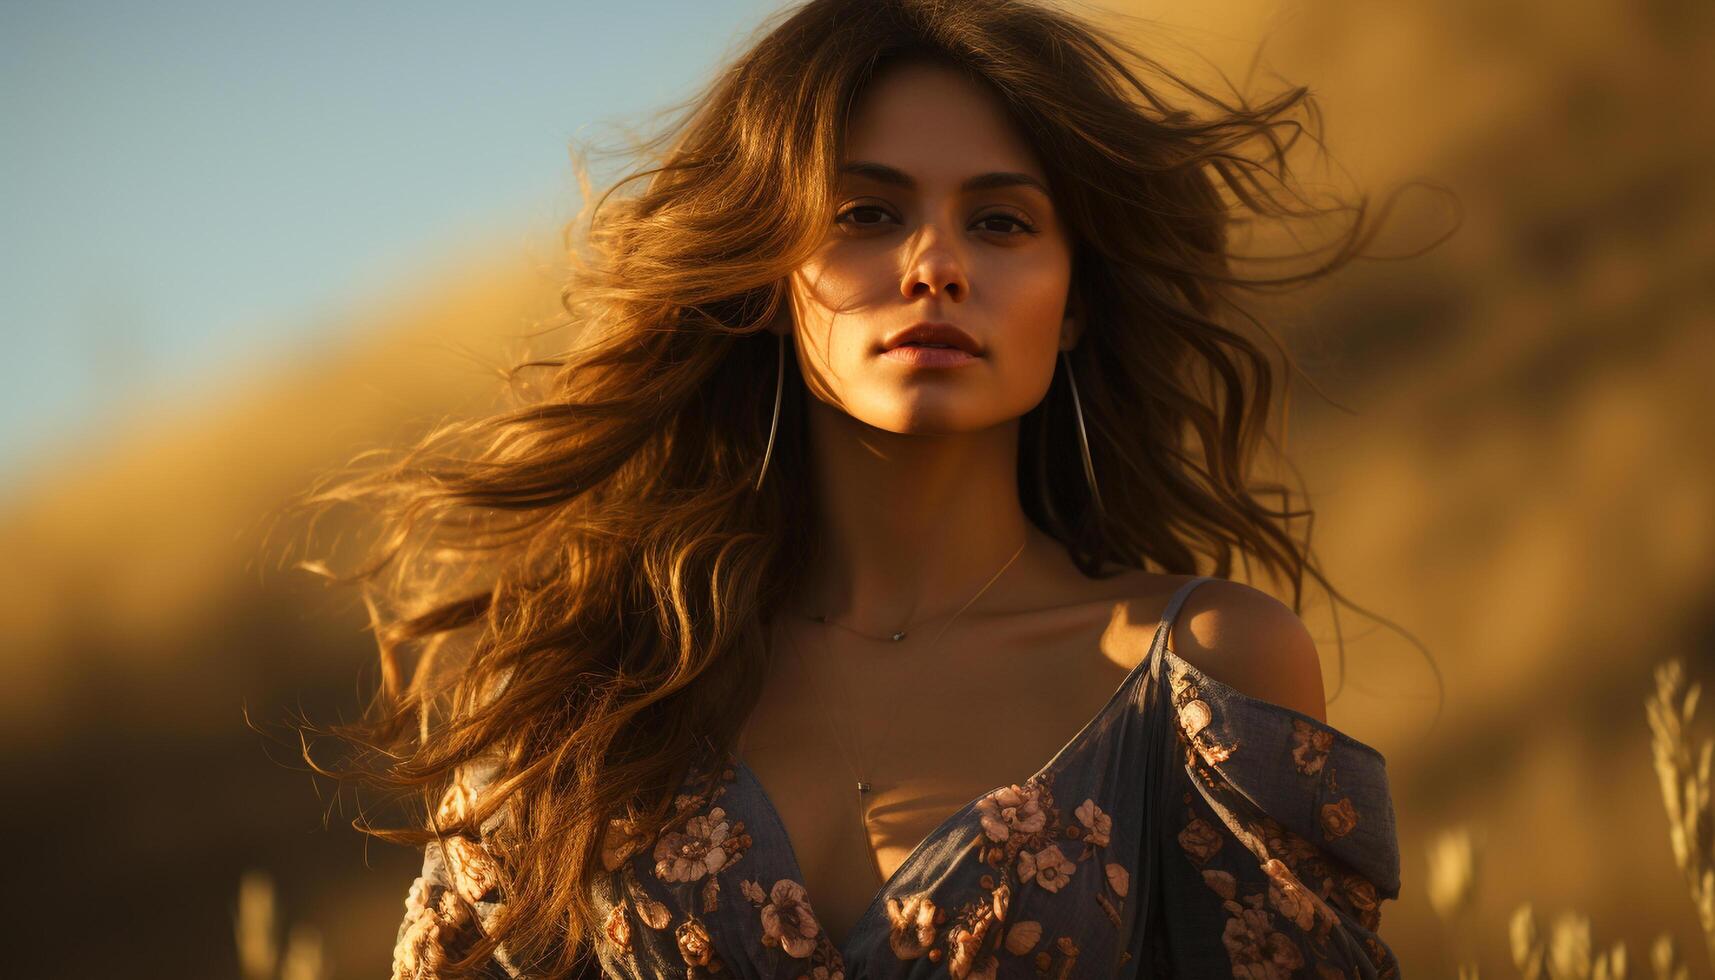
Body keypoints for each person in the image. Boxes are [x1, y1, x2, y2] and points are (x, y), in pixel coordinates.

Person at [291, 0, 1415, 976]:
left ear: (1072, 305)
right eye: (866, 213)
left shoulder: (1198, 673)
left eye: (1000, 220)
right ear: (771, 278)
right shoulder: (588, 695)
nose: (935, 262)